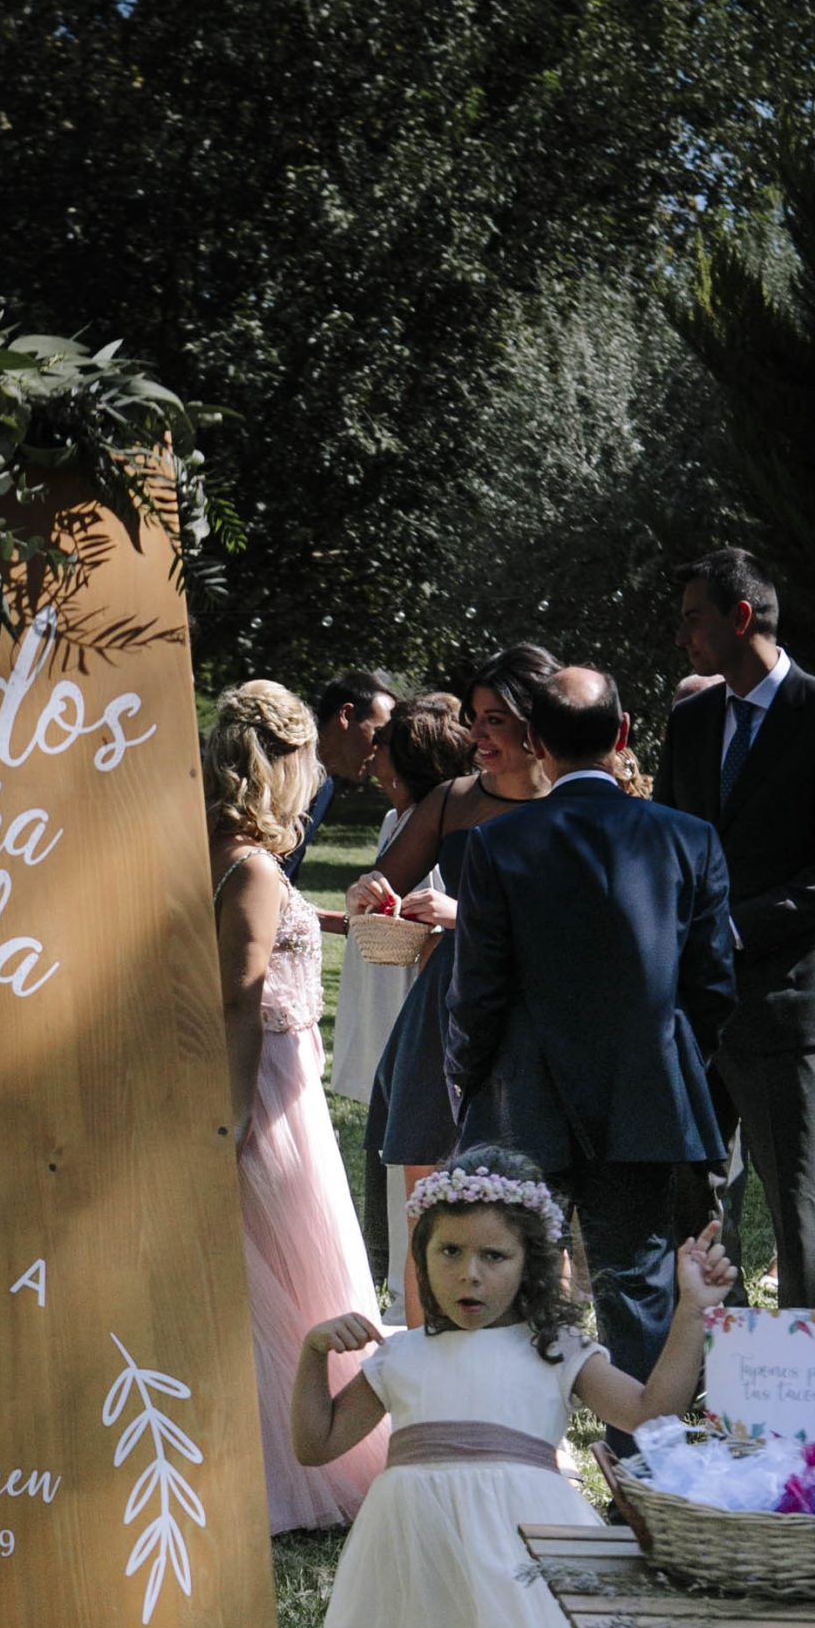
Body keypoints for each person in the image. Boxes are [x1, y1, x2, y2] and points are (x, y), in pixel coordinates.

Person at [295, 1150, 731, 1628]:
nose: (469, 1273)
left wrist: (690, 1312)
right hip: (409, 1565)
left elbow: (651, 1411)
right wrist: (314, 1355)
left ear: (531, 1263)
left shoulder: (554, 1350)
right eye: (449, 1251)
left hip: (507, 1566)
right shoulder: (401, 1357)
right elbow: (315, 1445)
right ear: (421, 1257)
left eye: (494, 1255)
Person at [445, 666, 736, 1443]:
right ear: (623, 733)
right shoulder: (688, 839)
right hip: (640, 1093)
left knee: (502, 1279)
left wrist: (467, 1077)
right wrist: (662, 1062)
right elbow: (712, 987)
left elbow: (477, 988)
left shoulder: (496, 843)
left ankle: (494, 1447)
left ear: (534, 742)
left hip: (522, 1095)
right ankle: (643, 1470)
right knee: (635, 1282)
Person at [655, 548, 815, 1307]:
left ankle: (801, 1370)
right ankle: (713, 1345)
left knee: (795, 1192)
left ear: (740, 617)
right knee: (691, 1184)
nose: (682, 635)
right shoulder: (689, 721)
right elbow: (666, 841)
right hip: (692, 1001)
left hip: (786, 999)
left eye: (694, 619)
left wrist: (735, 927)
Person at [208, 681, 388, 1532]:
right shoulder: (246, 863)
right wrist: (236, 1118)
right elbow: (238, 996)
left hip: (285, 1070)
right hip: (266, 1082)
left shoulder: (235, 856)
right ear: (280, 764)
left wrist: (330, 918)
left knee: (281, 1264)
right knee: (289, 1266)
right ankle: (294, 1462)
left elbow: (265, 920)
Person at [351, 645, 557, 1316]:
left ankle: (538, 1343)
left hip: (535, 1007)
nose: (478, 735)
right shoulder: (449, 800)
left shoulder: (569, 804)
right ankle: (422, 1341)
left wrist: (464, 915)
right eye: (475, 718)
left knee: (531, 1182)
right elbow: (390, 879)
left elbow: (579, 924)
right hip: (447, 1003)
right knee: (425, 1174)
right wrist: (372, 888)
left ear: (535, 723)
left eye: (494, 719)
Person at [330, 696, 476, 1292]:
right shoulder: (398, 824)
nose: (373, 760)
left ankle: (413, 1285)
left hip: (420, 1000)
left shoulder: (443, 825)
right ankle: (393, 1274)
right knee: (387, 1142)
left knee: (418, 1151)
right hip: (385, 988)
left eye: (384, 751)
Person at [278, 669, 395, 884]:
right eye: (378, 735)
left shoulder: (325, 789)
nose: (381, 751)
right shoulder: (276, 777)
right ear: (346, 715)